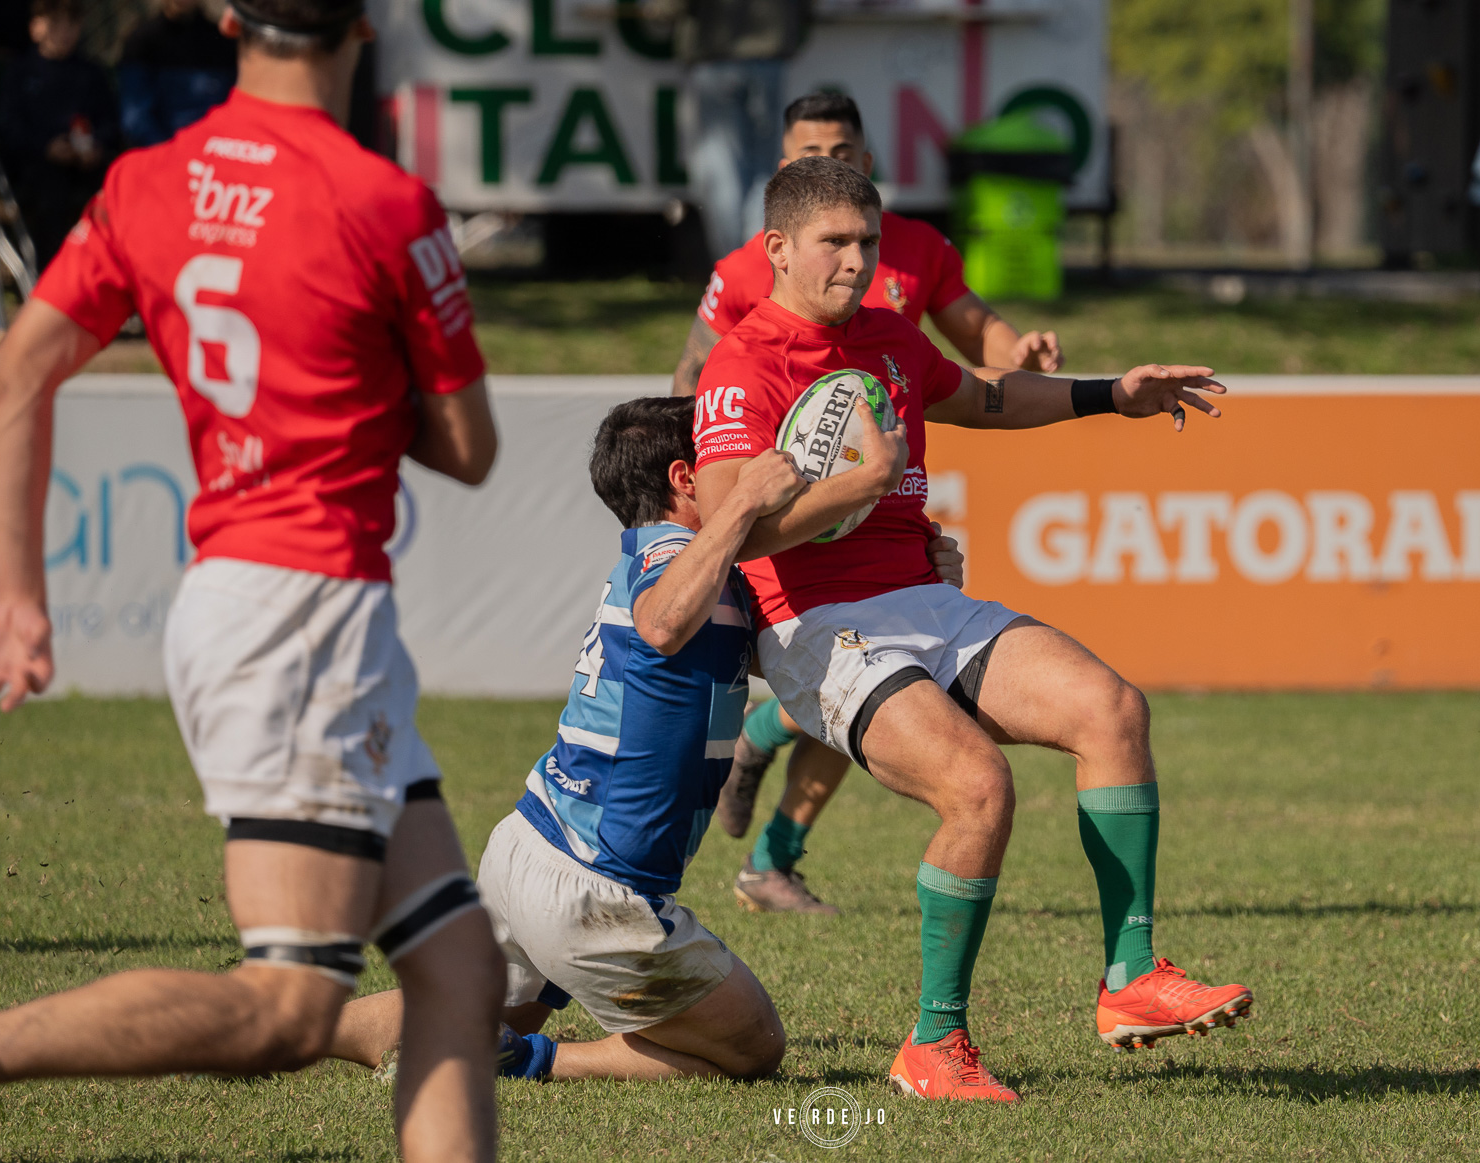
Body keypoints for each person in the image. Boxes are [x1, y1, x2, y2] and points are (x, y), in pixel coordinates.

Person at [0, 3, 506, 1158]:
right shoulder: (386, 202)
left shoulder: (151, 179)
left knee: (457, 966)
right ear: (358, 22)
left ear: (230, 17)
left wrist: (20, 596)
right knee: (288, 1009)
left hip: (254, 598)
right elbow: (470, 449)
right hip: (306, 611)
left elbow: (14, 372)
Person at [690, 155, 1254, 1101]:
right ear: (778, 249)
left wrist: (1114, 393)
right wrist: (859, 487)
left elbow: (987, 397)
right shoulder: (743, 365)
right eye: (835, 243)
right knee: (977, 784)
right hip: (815, 623)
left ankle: (1132, 978)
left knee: (1111, 708)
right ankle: (935, 1045)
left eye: (867, 243)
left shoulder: (887, 338)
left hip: (926, 600)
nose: (857, 261)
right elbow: (722, 525)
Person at [326, 397, 967, 1083]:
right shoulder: (674, 556)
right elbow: (663, 621)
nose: (743, 467)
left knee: (481, 1008)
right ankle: (522, 1063)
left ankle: (291, 1020)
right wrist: (743, 504)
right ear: (689, 479)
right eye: (729, 459)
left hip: (530, 845)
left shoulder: (692, 570)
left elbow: (810, 655)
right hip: (595, 888)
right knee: (754, 1047)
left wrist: (917, 591)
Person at [673, 91, 1065, 916]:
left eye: (845, 151)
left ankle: (773, 836)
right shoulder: (748, 272)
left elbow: (976, 347)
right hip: (795, 516)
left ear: (869, 161)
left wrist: (1020, 352)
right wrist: (715, 496)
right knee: (868, 684)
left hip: (891, 500)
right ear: (783, 174)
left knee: (888, 684)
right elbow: (698, 386)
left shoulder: (915, 248)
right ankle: (771, 750)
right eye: (812, 151)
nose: (833, 164)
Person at [677, 0, 809, 261]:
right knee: (764, 168)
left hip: (716, 50)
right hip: (769, 50)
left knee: (723, 168)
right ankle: (757, 263)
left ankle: (735, 266)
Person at [0, 0, 119, 269]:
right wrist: (45, 148)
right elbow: (10, 128)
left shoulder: (91, 74)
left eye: (71, 24)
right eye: (54, 23)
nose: (63, 31)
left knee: (113, 188)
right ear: (35, 28)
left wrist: (96, 147)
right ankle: (49, 275)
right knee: (50, 192)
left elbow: (110, 122)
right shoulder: (21, 72)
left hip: (85, 163)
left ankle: (102, 270)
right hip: (35, 166)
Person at [118, 0, 239, 148]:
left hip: (215, 150)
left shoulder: (223, 42)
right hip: (164, 153)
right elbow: (136, 118)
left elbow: (235, 108)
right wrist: (172, 154)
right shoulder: (141, 42)